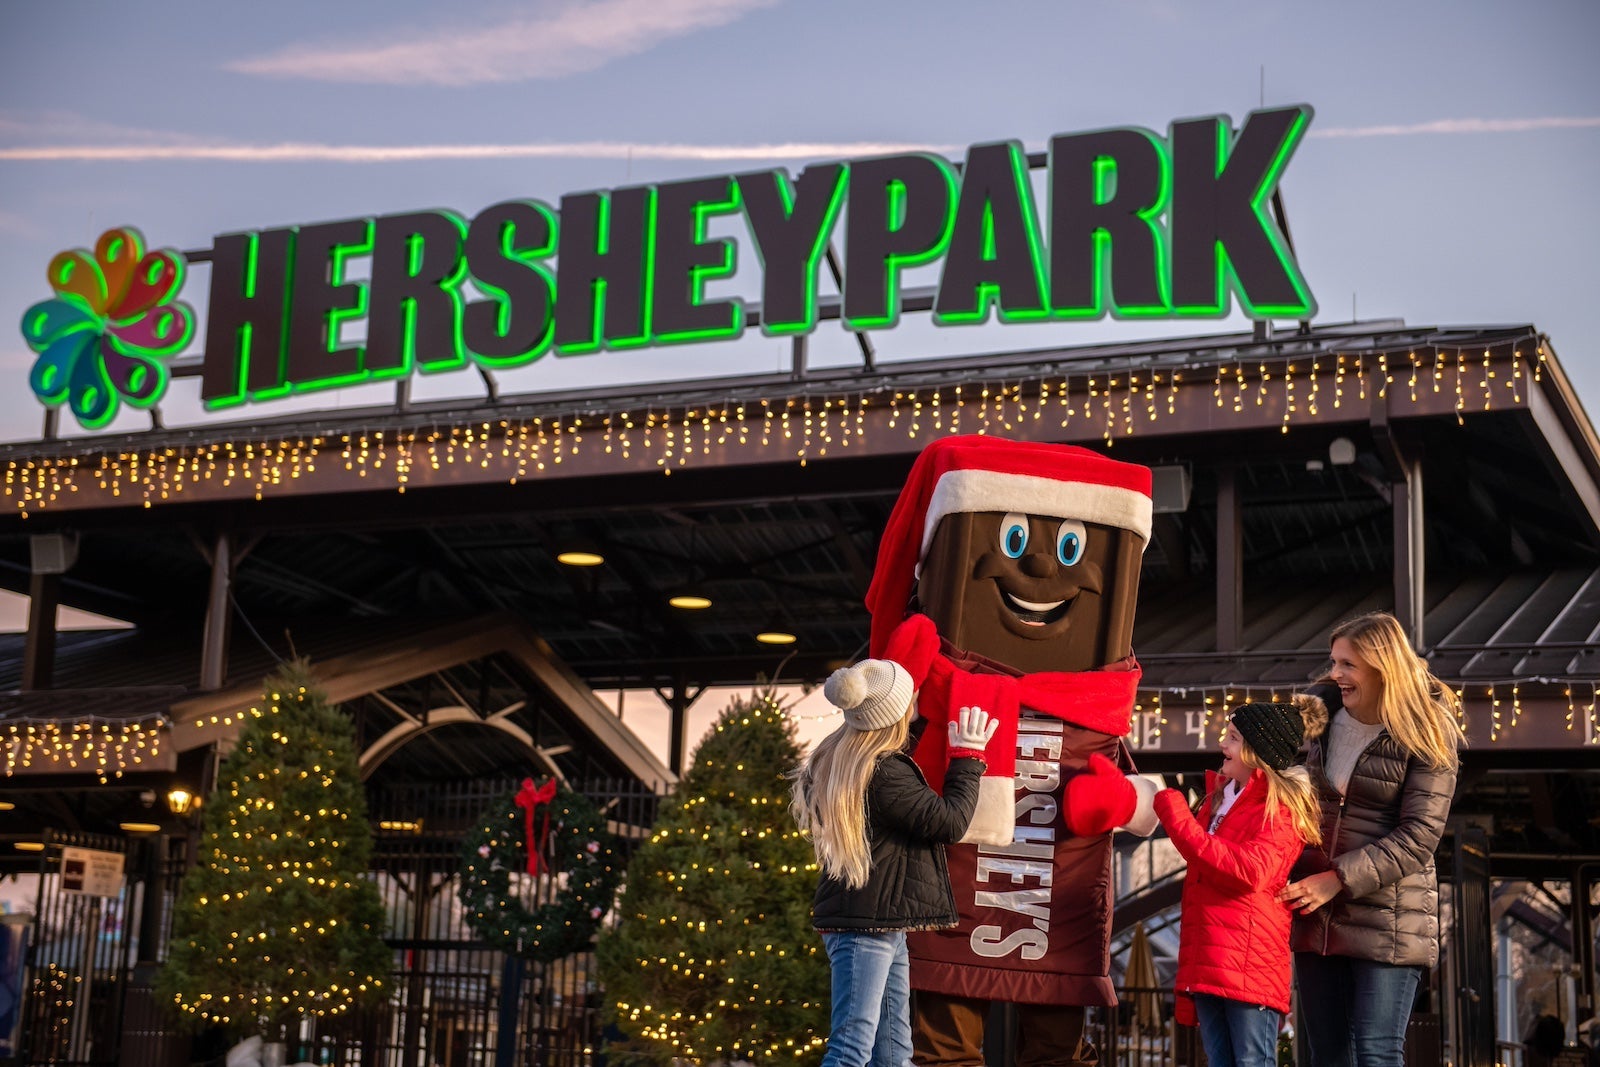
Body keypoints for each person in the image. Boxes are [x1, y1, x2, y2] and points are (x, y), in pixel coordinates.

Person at [1278, 611, 1466, 1067]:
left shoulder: (1426, 730)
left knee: (1376, 1054)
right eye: (1334, 662)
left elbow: (1420, 834)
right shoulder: (1318, 722)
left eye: (1348, 664)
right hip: (1319, 917)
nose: (1335, 674)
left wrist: (1336, 879)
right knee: (1328, 1056)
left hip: (1389, 918)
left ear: (1383, 668)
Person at [791, 657, 999, 1067]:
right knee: (851, 1050)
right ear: (895, 712)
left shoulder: (848, 761)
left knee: (893, 1054)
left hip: (880, 922)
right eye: (910, 695)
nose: (916, 697)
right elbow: (950, 823)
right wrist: (968, 758)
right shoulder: (885, 773)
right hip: (868, 927)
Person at [1152, 695, 1329, 1067]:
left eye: (1232, 737)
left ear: (1257, 750)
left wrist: (1177, 818)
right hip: (1209, 956)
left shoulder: (1280, 810)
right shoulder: (1220, 799)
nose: (1222, 744)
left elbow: (1249, 871)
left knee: (1251, 1061)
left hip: (1249, 961)